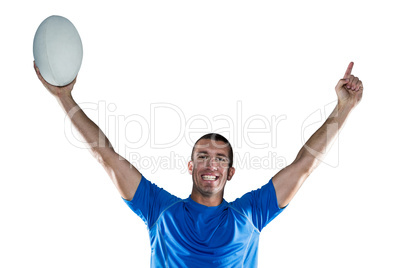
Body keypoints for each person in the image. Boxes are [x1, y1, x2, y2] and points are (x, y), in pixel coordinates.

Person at [34, 61, 363, 267]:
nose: (211, 164)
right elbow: (106, 156)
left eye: (220, 159)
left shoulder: (251, 213)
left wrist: (343, 107)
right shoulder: (158, 208)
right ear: (190, 167)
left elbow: (304, 164)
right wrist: (65, 98)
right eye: (202, 156)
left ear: (230, 172)